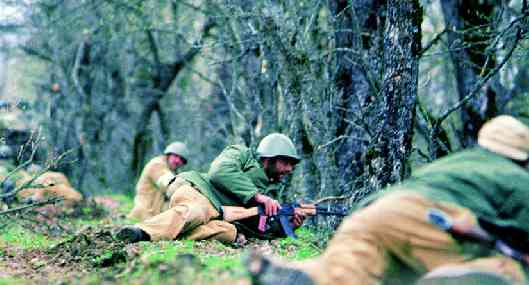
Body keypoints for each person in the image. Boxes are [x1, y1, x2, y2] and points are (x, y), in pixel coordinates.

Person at [248, 115, 529, 285]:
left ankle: (304, 278)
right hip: (433, 216)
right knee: (506, 272)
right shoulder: (516, 178)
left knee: (343, 275)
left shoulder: (455, 163)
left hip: (373, 212)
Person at [117, 133, 303, 244]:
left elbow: (257, 229)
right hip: (200, 192)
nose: (289, 169)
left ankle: (172, 233)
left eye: (292, 166)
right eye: (286, 162)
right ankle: (141, 231)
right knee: (196, 212)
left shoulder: (268, 191)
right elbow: (219, 171)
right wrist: (257, 197)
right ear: (269, 157)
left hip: (218, 213)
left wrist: (286, 226)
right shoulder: (242, 154)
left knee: (230, 233)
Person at [127, 141, 190, 221]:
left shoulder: (174, 172)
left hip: (156, 216)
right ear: (168, 154)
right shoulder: (157, 165)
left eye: (181, 159)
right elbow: (171, 186)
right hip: (145, 215)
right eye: (175, 156)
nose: (177, 161)